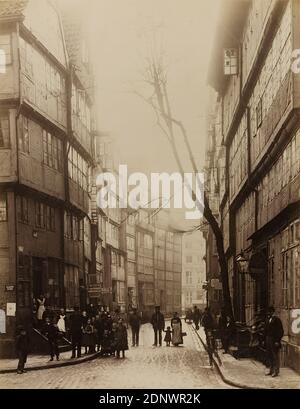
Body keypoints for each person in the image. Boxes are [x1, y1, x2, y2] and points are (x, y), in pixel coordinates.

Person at [265, 306, 284, 377]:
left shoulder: (277, 320)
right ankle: (271, 370)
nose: (268, 313)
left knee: (275, 355)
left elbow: (280, 331)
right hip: (268, 339)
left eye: (270, 312)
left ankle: (276, 371)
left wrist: (277, 341)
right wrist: (264, 340)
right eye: (268, 312)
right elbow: (265, 330)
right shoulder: (267, 319)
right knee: (269, 355)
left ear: (272, 312)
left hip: (274, 340)